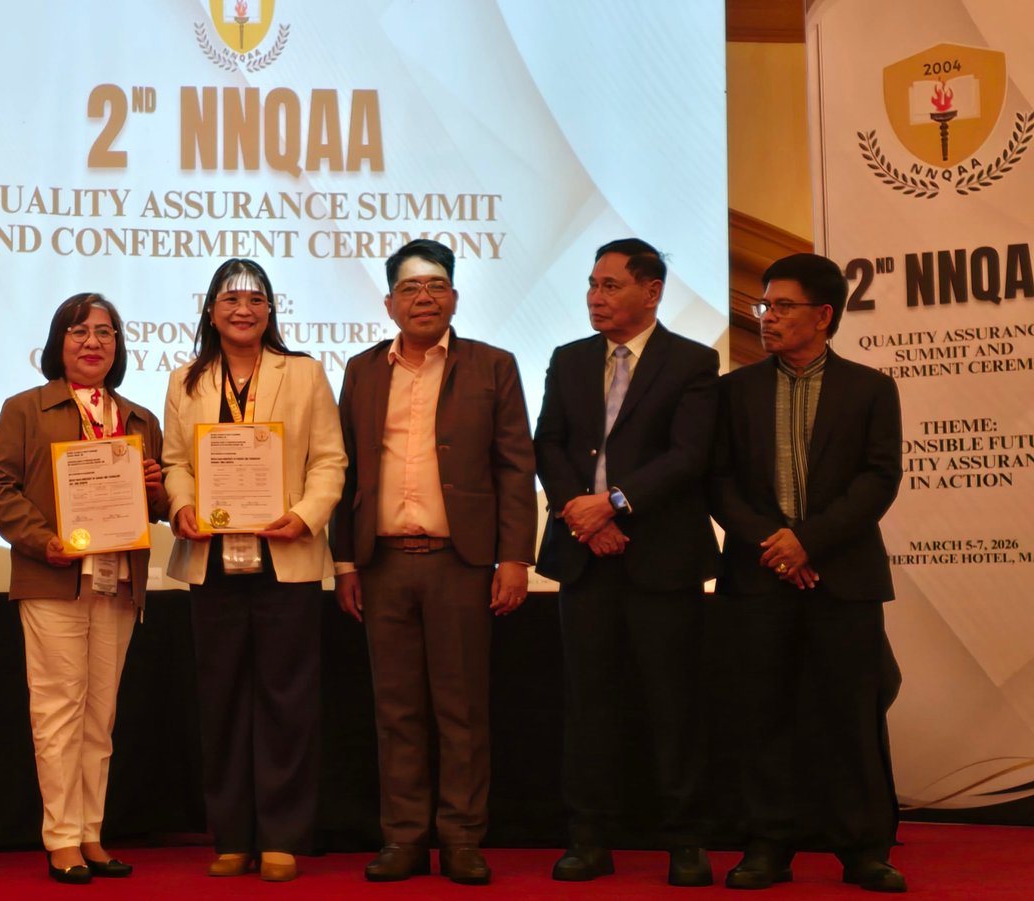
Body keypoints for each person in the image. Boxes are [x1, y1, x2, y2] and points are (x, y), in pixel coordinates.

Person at [331, 238, 536, 886]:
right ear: (390, 303)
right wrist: (344, 562)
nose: (424, 298)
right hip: (383, 563)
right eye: (410, 288)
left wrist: (514, 557)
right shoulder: (363, 370)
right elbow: (345, 471)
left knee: (462, 708)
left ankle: (462, 839)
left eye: (436, 286)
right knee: (396, 711)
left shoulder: (493, 365)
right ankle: (403, 838)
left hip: (460, 563)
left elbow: (515, 467)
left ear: (454, 297)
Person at [710, 253, 906, 893]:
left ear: (823, 316)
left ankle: (863, 850)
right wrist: (776, 545)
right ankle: (768, 845)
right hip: (759, 578)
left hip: (842, 578)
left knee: (850, 715)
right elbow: (720, 482)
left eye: (782, 306)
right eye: (763, 305)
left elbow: (879, 478)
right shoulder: (735, 390)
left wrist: (808, 543)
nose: (766, 317)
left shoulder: (870, 388)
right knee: (762, 715)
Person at [534, 238, 719, 887]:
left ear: (652, 291)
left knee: (673, 704)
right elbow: (549, 444)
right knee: (589, 704)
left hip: (660, 559)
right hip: (586, 560)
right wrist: (583, 519)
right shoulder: (569, 358)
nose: (595, 296)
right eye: (592, 284)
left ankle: (685, 840)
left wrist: (612, 505)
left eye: (610, 285)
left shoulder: (693, 361)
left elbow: (688, 455)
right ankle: (588, 837)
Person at [162, 258, 345, 882]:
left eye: (255, 299)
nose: (243, 310)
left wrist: (305, 516)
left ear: (270, 311)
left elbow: (329, 460)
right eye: (230, 299)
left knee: (286, 700)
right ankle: (233, 836)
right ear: (211, 311)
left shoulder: (305, 373)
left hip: (285, 556)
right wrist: (181, 505)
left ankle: (282, 836)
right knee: (221, 700)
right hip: (211, 562)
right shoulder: (186, 379)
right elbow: (174, 462)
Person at [0, 293, 168, 884]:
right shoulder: (26, 409)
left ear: (118, 346)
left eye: (105, 332)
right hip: (53, 578)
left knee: (99, 716)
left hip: (119, 580)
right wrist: (43, 541)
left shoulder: (139, 419)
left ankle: (91, 833)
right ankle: (61, 838)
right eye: (79, 331)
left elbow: (159, 508)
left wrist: (157, 488)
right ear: (58, 342)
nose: (93, 342)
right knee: (58, 711)